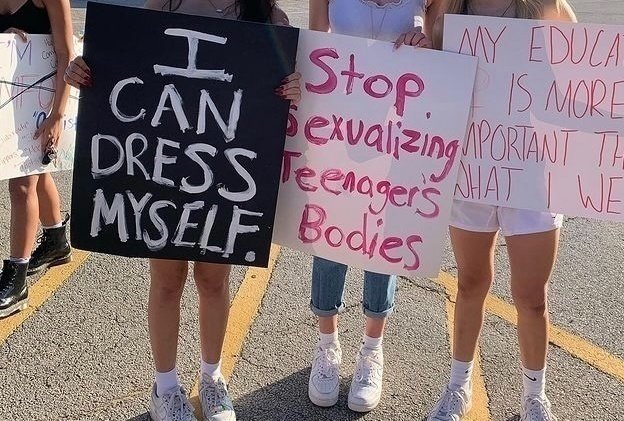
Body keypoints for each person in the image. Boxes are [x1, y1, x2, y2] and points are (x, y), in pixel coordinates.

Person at [400, 1, 624, 420]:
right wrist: (415, 53)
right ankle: (457, 386)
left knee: (531, 298)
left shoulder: (546, 9)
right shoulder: (446, 9)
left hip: (536, 176)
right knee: (470, 284)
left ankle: (535, 396)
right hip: (472, 173)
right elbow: (434, 87)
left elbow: (594, 91)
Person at [64, 1, 300, 420]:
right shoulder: (167, 2)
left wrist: (296, 87)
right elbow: (124, 50)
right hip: (165, 169)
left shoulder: (268, 18)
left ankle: (212, 378)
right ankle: (166, 387)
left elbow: (288, 87)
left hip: (225, 172)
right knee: (168, 279)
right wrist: (84, 69)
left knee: (214, 279)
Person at [305, 0, 433, 413]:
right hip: (340, 125)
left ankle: (372, 350)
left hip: (402, 130)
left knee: (384, 236)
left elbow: (446, 51)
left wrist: (426, 44)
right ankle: (327, 345)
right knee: (331, 234)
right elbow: (314, 42)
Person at [0, 0, 74, 319]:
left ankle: (17, 280)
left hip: (40, 98)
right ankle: (57, 240)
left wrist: (57, 115)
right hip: (8, 95)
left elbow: (67, 55)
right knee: (36, 172)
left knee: (21, 185)